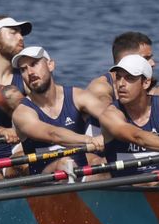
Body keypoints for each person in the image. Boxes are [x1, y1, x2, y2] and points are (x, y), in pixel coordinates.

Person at [87, 54, 159, 175]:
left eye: (129, 78)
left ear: (145, 82)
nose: (121, 84)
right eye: (118, 77)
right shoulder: (110, 114)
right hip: (125, 184)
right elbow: (137, 137)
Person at [8, 45, 106, 174]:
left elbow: (110, 116)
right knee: (64, 164)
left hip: (81, 176)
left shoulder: (78, 96)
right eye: (23, 69)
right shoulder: (22, 113)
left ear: (51, 65)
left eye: (34, 64)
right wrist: (90, 140)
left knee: (103, 164)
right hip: (44, 181)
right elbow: (53, 134)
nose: (30, 72)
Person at [86, 31, 155, 104]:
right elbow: (104, 109)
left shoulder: (150, 88)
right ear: (125, 60)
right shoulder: (100, 88)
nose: (153, 63)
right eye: (145, 58)